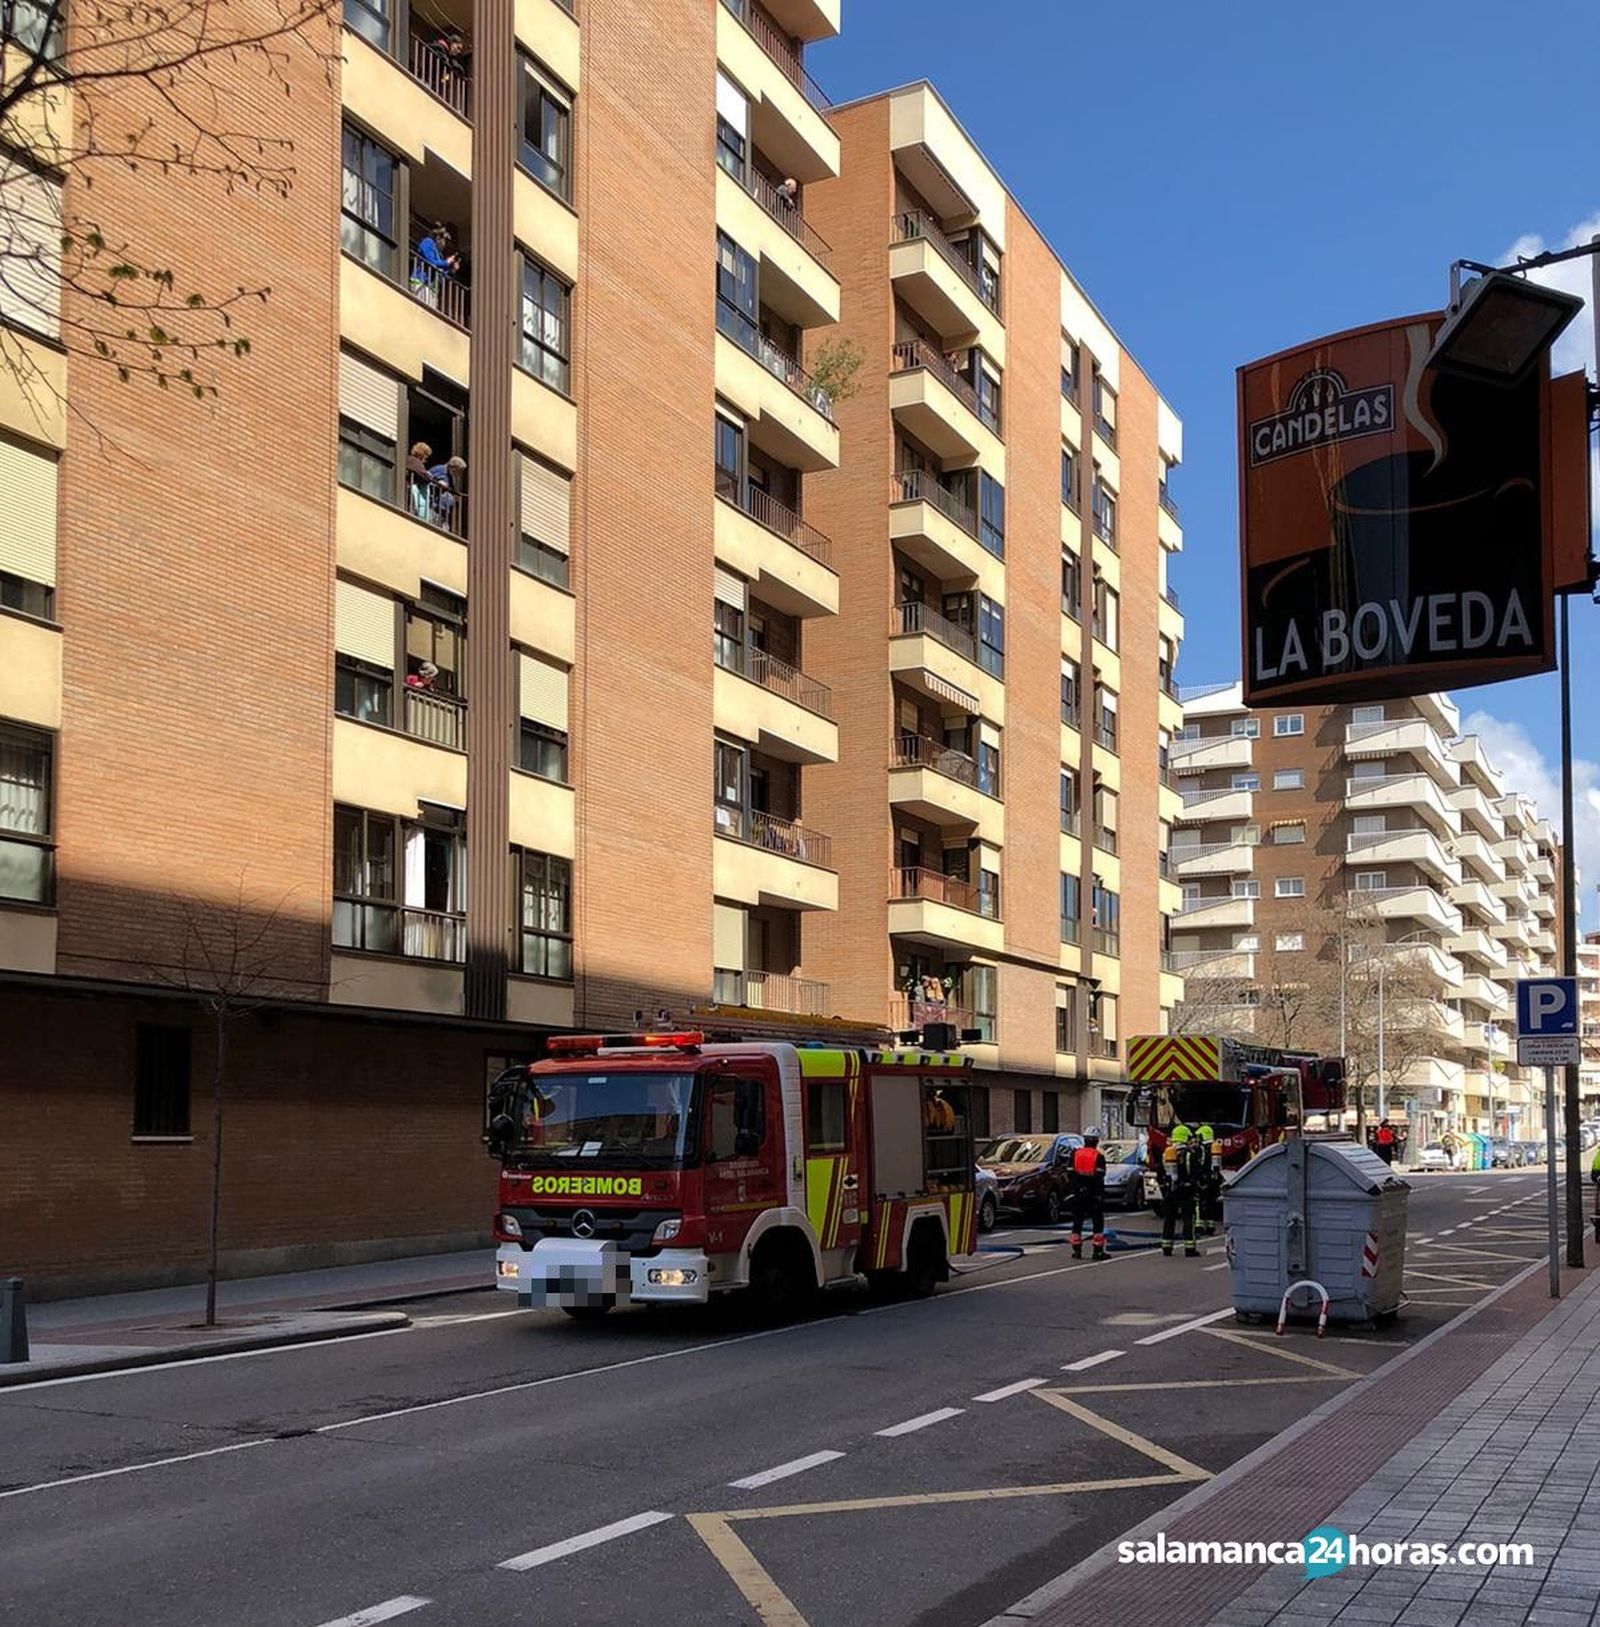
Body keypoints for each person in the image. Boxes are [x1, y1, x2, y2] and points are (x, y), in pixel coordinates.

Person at [1160, 1124, 1200, 1258]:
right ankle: (1190, 1248)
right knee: (1188, 1219)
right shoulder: (1189, 1154)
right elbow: (1194, 1173)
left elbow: (1161, 1172)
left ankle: (1166, 1247)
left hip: (1170, 1190)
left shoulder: (1167, 1153)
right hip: (1186, 1191)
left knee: (1169, 1219)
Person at [1068, 1130, 1107, 1262]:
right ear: (1096, 1141)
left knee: (1077, 1221)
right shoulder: (1098, 1157)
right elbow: (1099, 1178)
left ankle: (1076, 1250)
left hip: (1078, 1193)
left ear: (1085, 1140)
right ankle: (1098, 1251)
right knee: (1097, 1222)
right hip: (1093, 1194)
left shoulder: (1075, 1154)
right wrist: (1099, 1195)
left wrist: (1075, 1189)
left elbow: (1070, 1174)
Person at [410, 223, 459, 306]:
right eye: (445, 241)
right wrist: (446, 262)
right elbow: (431, 261)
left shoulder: (439, 255)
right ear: (438, 238)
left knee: (429, 314)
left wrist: (452, 270)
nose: (445, 245)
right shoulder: (427, 242)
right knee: (423, 311)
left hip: (432, 289)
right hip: (421, 283)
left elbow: (441, 274)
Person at [1195, 1124, 1221, 1236]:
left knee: (1200, 1202)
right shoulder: (1215, 1147)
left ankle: (1199, 1226)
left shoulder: (1202, 1148)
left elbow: (1200, 1163)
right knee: (1211, 1203)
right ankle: (1210, 1226)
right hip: (1214, 1180)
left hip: (1204, 1179)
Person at [427, 454, 466, 528]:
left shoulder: (449, 475)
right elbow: (431, 480)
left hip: (442, 511)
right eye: (459, 471)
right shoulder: (440, 469)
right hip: (434, 507)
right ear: (454, 467)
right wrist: (440, 483)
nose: (459, 474)